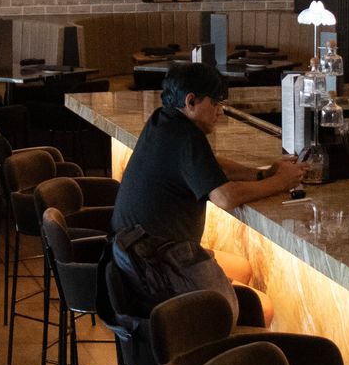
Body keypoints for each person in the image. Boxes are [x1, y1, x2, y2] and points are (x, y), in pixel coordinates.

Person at [111, 62, 305, 246]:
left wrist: (263, 174)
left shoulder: (162, 120)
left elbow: (209, 166)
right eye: (215, 103)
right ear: (191, 101)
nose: (220, 112)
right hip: (151, 266)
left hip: (128, 253)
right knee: (244, 273)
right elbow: (225, 198)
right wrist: (281, 182)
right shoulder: (187, 136)